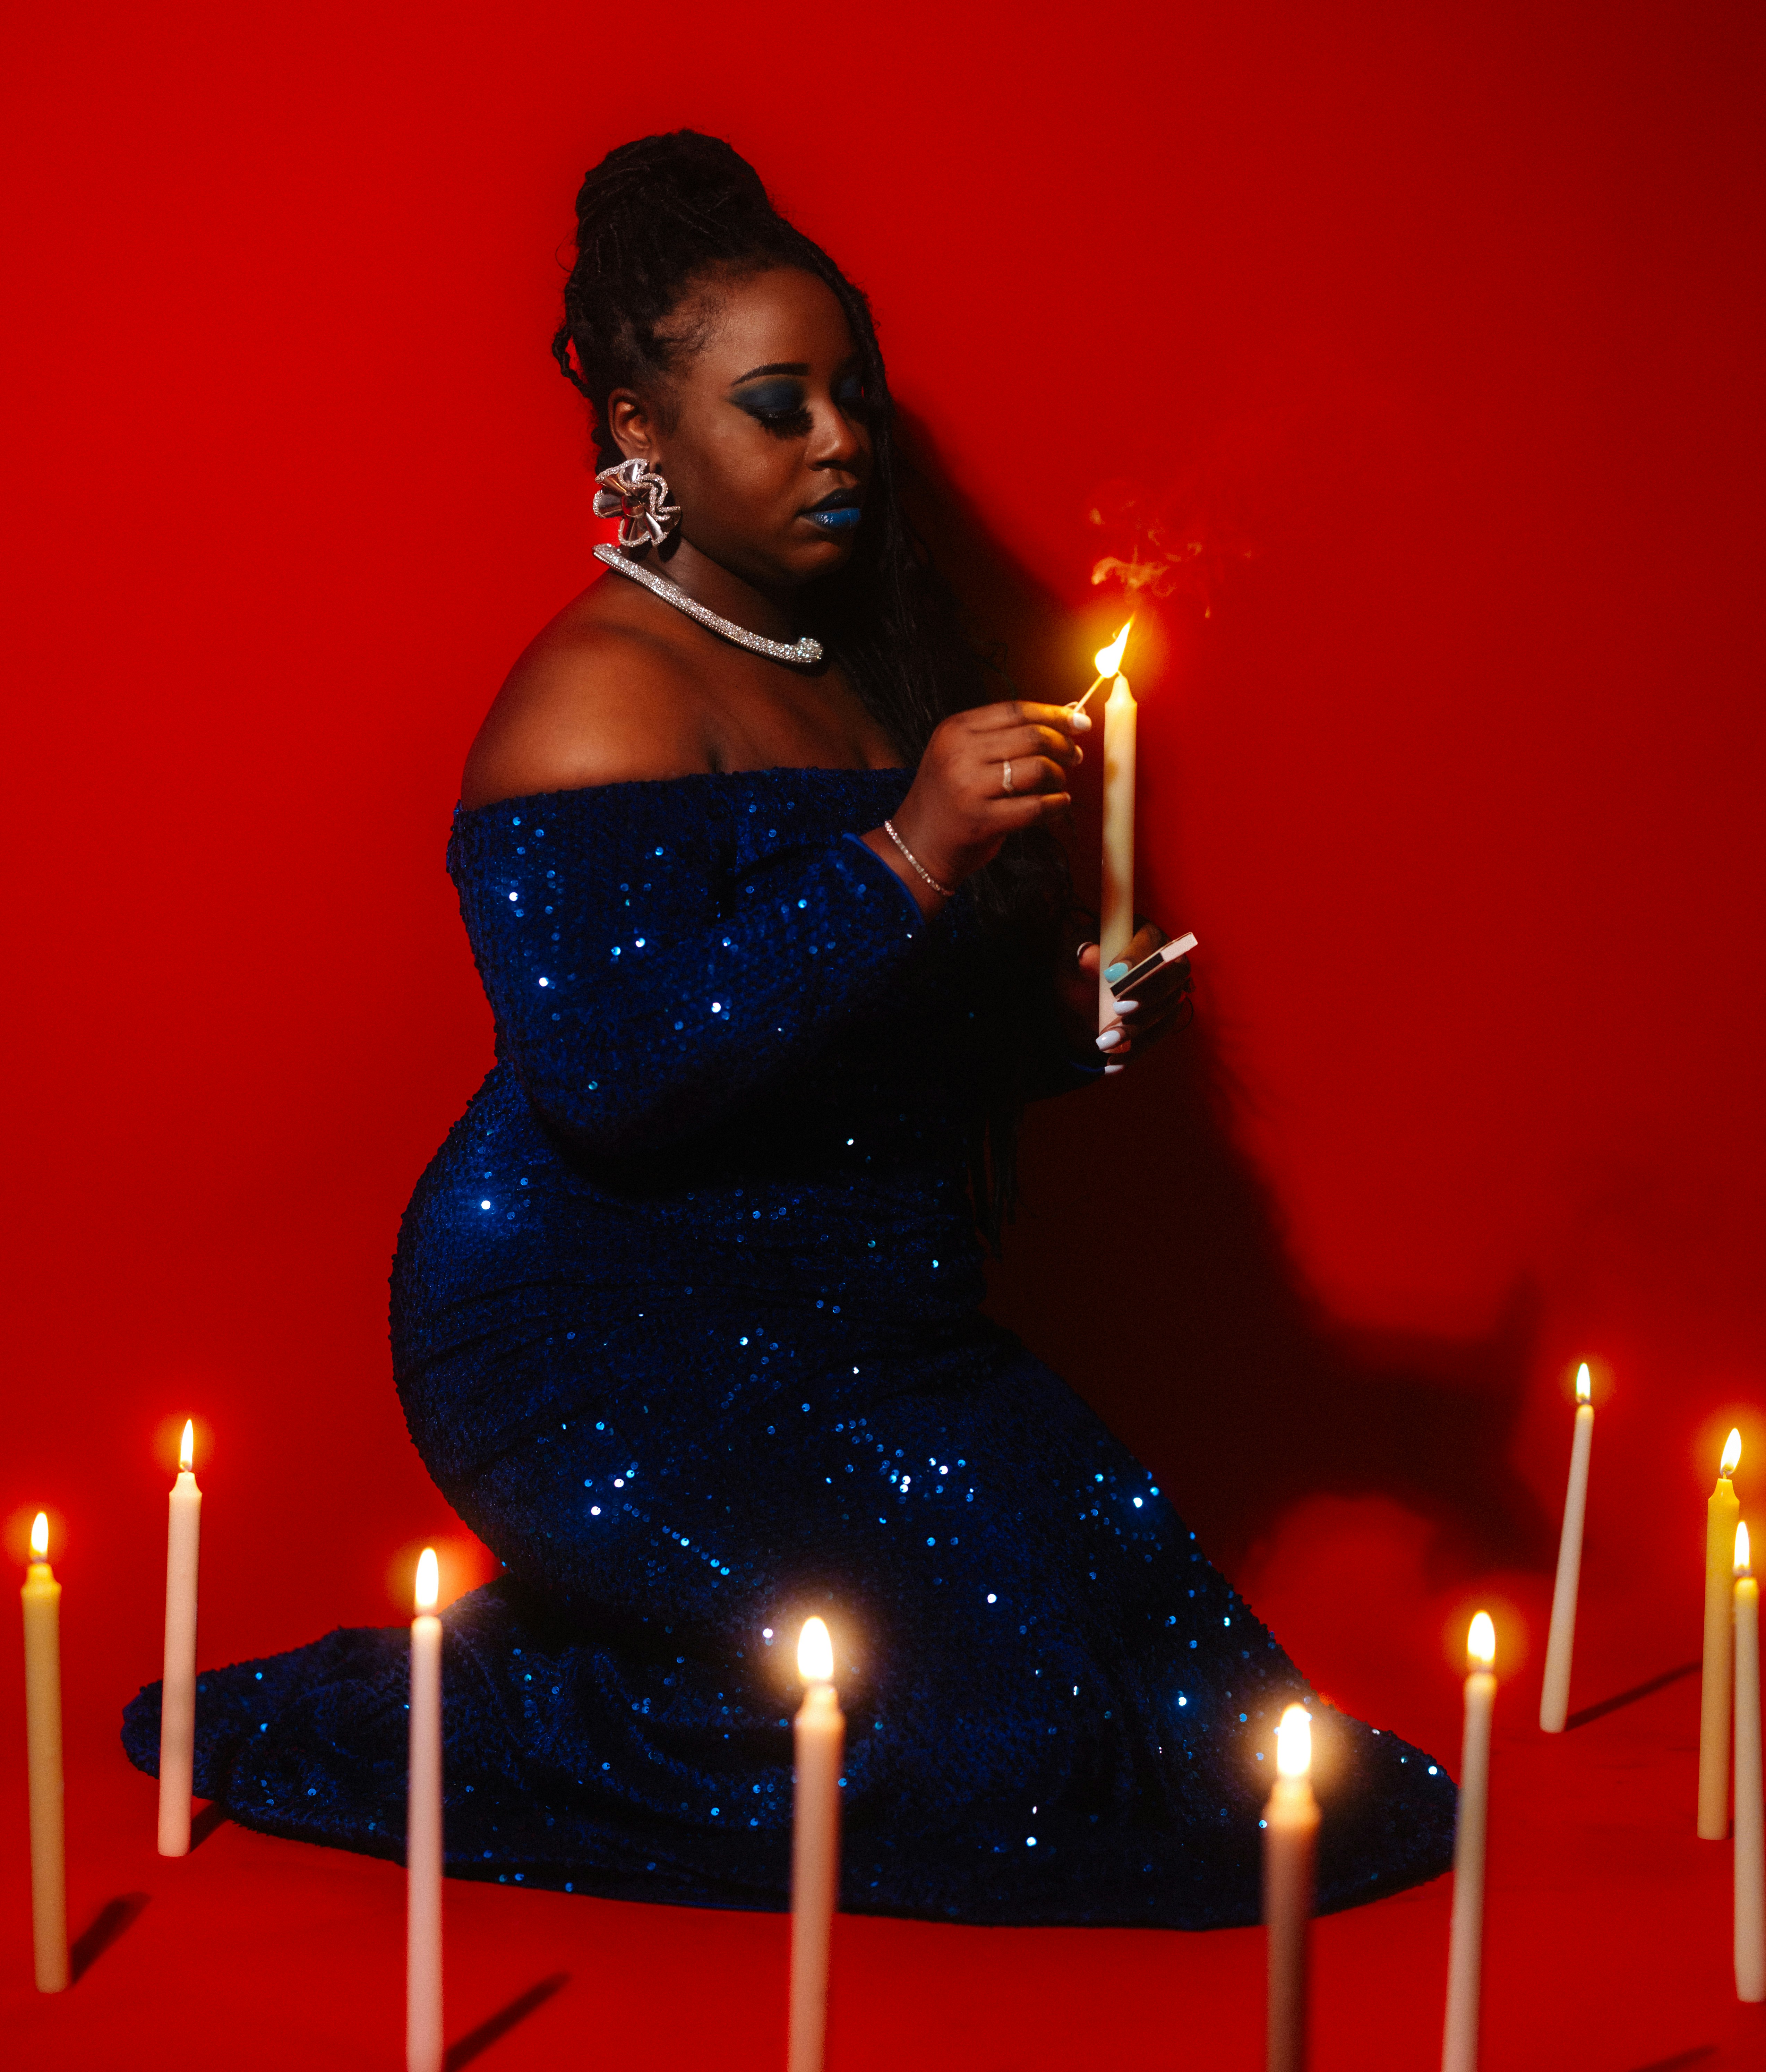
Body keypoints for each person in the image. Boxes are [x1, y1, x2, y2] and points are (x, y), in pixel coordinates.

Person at [125, 132, 1454, 1924]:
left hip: (865, 1324)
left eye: (853, 397)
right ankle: (433, 1702)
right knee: (996, 1745)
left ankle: (649, 1629)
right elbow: (612, 1076)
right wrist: (910, 847)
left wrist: (1063, 1023)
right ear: (643, 444)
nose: (839, 437)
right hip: (604, 1336)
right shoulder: (597, 693)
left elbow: (848, 1047)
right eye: (779, 404)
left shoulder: (852, 661)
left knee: (1205, 1710)